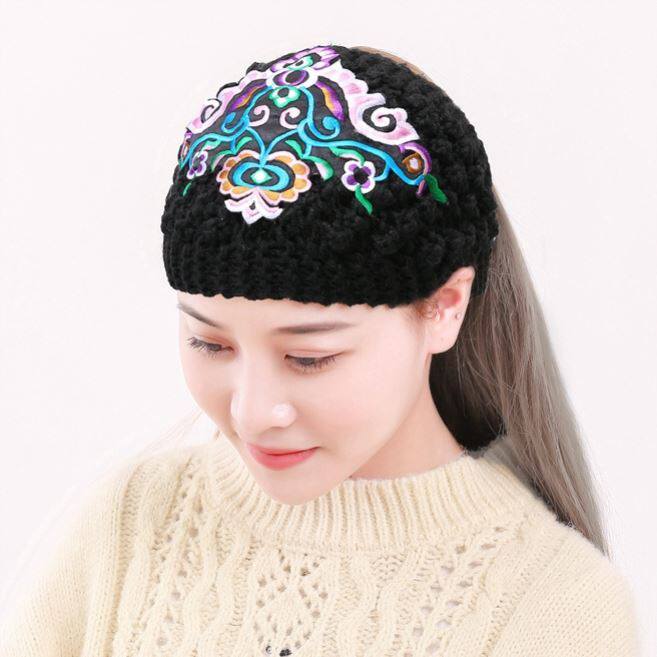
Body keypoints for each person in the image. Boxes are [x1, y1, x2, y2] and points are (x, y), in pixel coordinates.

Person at [0, 43, 641, 656]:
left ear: (445, 307)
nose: (253, 413)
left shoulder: (554, 605)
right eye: (209, 343)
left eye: (308, 358)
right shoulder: (129, 526)